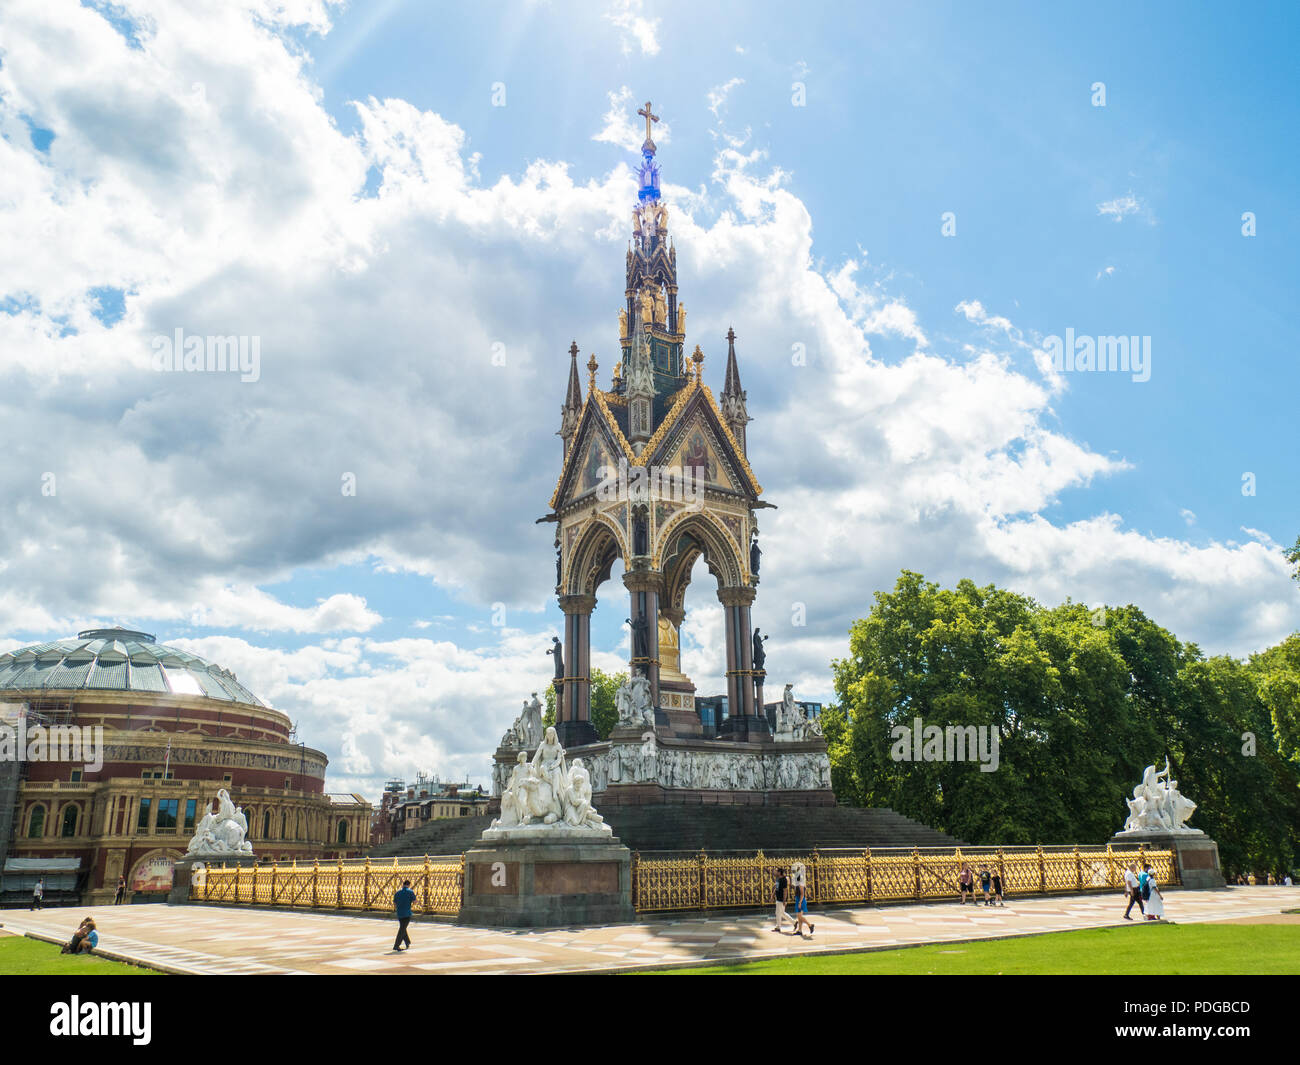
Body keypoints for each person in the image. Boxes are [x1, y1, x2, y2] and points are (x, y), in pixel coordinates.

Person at [790, 863, 814, 939]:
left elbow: (802, 894)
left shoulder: (800, 882)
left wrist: (800, 902)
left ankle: (810, 925)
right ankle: (800, 930)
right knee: (799, 916)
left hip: (800, 900)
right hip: (798, 899)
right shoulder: (798, 882)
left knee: (799, 916)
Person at [392, 878, 416, 952]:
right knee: (402, 929)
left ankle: (407, 942)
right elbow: (415, 901)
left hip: (399, 913)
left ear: (403, 885)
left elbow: (394, 903)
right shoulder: (410, 892)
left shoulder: (398, 892)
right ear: (409, 885)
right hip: (407, 913)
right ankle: (396, 945)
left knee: (403, 927)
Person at [771, 866, 795, 933]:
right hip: (778, 898)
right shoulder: (778, 879)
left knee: (778, 913)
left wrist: (784, 900)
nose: (774, 872)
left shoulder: (784, 879)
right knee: (781, 913)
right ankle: (794, 922)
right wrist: (772, 896)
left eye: (776, 870)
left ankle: (778, 927)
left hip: (781, 899)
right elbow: (776, 888)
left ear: (779, 872)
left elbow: (785, 890)